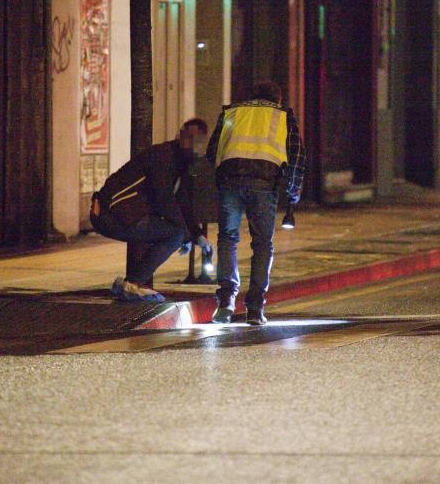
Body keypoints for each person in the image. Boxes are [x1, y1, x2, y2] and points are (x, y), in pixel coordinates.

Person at [205, 81, 305, 325]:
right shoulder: (283, 116)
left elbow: (212, 151)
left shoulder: (232, 112)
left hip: (230, 181)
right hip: (263, 183)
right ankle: (254, 309)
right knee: (262, 245)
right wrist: (292, 195)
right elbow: (297, 157)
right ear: (277, 99)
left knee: (228, 240)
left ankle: (226, 303)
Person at [90, 119, 212, 302]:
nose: (192, 144)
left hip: (123, 213)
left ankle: (128, 284)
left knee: (175, 233)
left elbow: (182, 202)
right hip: (111, 213)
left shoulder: (181, 162)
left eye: (197, 141)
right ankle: (132, 284)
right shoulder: (162, 157)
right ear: (179, 135)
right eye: (189, 138)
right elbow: (164, 199)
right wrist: (186, 236)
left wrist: (196, 234)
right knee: (175, 235)